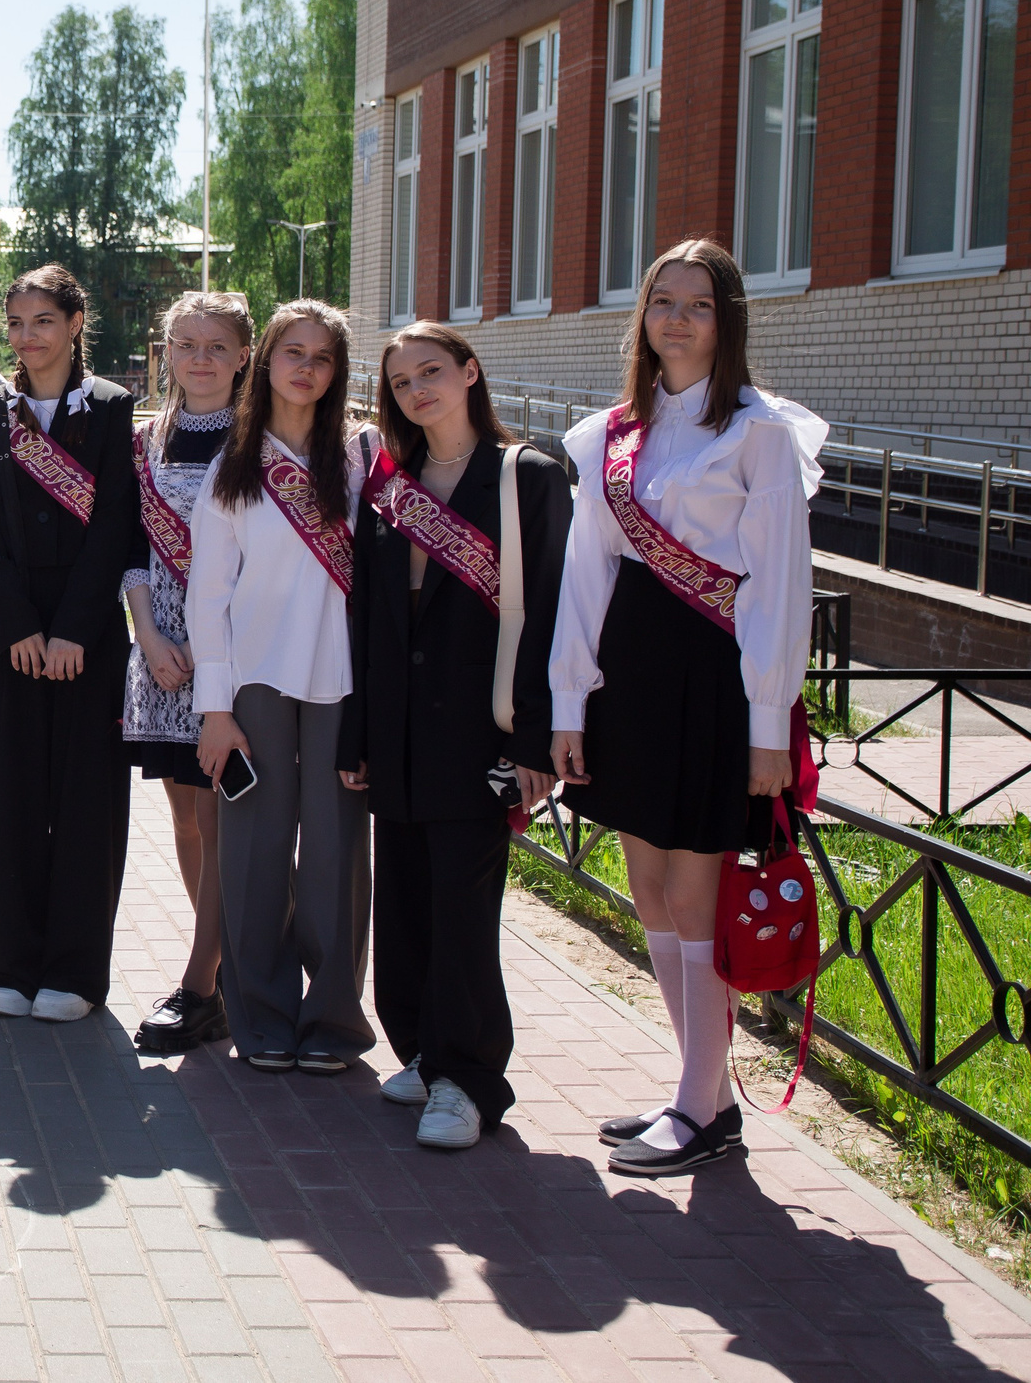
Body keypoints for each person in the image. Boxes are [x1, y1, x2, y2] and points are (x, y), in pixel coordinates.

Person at [551, 241, 825, 1176]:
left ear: (728, 319)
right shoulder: (606, 435)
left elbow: (780, 590)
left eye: (698, 305)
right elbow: (584, 578)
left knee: (698, 892)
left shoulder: (760, 434)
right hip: (629, 675)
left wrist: (765, 727)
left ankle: (701, 1108)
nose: (676, 318)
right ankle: (699, 1092)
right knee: (651, 888)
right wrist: (568, 702)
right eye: (661, 301)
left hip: (714, 678)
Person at [339, 323, 570, 1150]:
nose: (417, 390)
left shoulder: (527, 478)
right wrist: (357, 734)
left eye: (431, 371)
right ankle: (424, 1049)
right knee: (403, 900)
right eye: (401, 381)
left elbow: (549, 612)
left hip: (481, 727)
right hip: (397, 728)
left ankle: (470, 1078)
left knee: (465, 907)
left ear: (471, 372)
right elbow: (368, 616)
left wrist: (539, 743)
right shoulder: (386, 485)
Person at [187, 299, 373, 1077]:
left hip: (341, 684)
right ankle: (259, 1013)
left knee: (335, 853)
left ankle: (331, 1016)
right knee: (256, 852)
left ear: (336, 372)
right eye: (291, 351)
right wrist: (216, 710)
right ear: (265, 361)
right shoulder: (235, 464)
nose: (305, 366)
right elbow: (207, 596)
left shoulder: (363, 462)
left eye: (321, 356)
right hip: (253, 684)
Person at [0, 265, 139, 1023]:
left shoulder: (112, 409)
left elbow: (116, 526)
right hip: (10, 635)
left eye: (44, 321)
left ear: (75, 323)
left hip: (85, 635)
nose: (29, 337)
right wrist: (18, 626)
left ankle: (75, 968)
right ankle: (12, 961)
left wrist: (72, 629)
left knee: (87, 798)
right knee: (6, 793)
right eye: (18, 323)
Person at [122, 291, 250, 1055]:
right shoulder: (145, 440)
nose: (200, 358)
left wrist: (210, 648)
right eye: (185, 344)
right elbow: (128, 543)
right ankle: (232, 962)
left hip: (228, 657)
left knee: (218, 817)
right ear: (165, 352)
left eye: (216, 345)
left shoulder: (261, 437)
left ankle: (203, 982)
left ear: (242, 355)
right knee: (186, 817)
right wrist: (147, 629)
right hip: (160, 656)